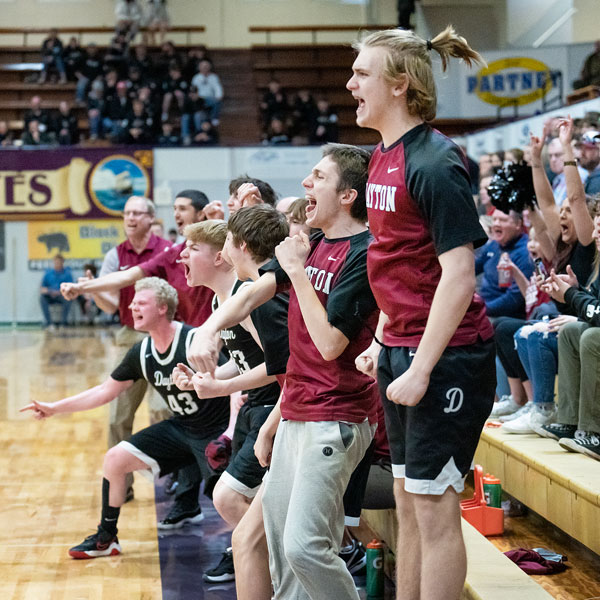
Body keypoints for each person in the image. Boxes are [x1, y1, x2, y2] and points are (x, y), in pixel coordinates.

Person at [189, 143, 379, 600]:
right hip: (298, 412)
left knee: (304, 548)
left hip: (337, 417)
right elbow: (256, 289)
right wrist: (210, 328)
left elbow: (331, 344)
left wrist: (296, 273)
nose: (304, 184)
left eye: (317, 176)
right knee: (279, 550)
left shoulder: (364, 252)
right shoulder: (309, 244)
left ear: (348, 195)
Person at [347, 27, 495, 600]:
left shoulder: (435, 162)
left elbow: (459, 275)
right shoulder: (384, 156)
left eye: (363, 73)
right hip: (403, 348)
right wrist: (384, 337)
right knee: (409, 504)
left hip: (448, 357)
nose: (351, 83)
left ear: (399, 84)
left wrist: (421, 367)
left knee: (434, 513)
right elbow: (398, 264)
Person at [22, 277, 230, 558]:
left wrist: (233, 430)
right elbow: (105, 391)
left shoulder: (194, 341)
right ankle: (107, 537)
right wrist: (54, 407)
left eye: (141, 302)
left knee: (230, 498)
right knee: (115, 459)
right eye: (132, 301)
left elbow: (238, 377)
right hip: (181, 427)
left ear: (162, 308)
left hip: (216, 431)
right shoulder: (141, 351)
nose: (132, 306)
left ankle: (245, 549)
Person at [175, 207, 289, 583]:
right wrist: (201, 378)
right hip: (254, 408)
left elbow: (279, 367)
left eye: (192, 248)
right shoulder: (217, 302)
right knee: (244, 497)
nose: (181, 255)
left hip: (276, 406)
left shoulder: (247, 298)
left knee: (227, 497)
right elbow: (243, 361)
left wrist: (221, 387)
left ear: (220, 255)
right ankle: (272, 560)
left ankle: (282, 562)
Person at [62, 196, 171, 500]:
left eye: (137, 213)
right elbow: (110, 303)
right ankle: (121, 485)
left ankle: (175, 479)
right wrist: (91, 289)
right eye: (127, 213)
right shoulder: (115, 255)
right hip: (129, 336)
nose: (131, 218)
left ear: (151, 219)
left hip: (165, 336)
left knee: (163, 410)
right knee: (117, 418)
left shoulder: (166, 251)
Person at [475, 208, 534, 319]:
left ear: (518, 224)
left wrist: (481, 309)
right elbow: (472, 267)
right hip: (484, 306)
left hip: (505, 316)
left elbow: (514, 300)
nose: (496, 223)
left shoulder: (526, 253)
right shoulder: (493, 245)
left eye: (502, 220)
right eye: (494, 219)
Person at [40, 255, 73, 329]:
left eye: (59, 262)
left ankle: (63, 323)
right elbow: (42, 289)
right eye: (56, 262)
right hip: (50, 295)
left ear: (62, 263)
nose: (57, 264)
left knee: (68, 299)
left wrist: (59, 292)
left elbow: (71, 288)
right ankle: (49, 323)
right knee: (42, 298)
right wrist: (50, 291)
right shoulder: (48, 274)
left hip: (62, 295)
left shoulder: (67, 274)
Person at [191, 59, 224, 125]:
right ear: (200, 68)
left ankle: (214, 118)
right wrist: (195, 96)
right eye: (203, 66)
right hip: (200, 98)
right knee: (198, 115)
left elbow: (217, 87)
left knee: (217, 101)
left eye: (206, 66)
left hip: (210, 98)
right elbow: (193, 89)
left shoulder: (214, 77)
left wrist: (219, 96)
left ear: (209, 67)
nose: (205, 68)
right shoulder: (196, 77)